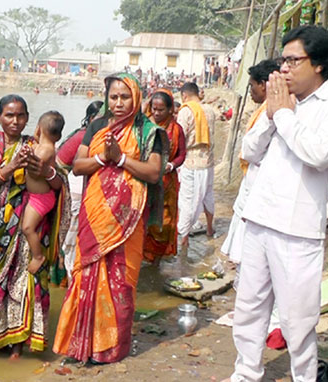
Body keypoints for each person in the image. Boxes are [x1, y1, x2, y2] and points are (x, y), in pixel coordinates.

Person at [224, 26, 328, 382]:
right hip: (260, 218)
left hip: (297, 228)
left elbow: (319, 154)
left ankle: (303, 377)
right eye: (282, 60)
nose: (283, 69)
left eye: (292, 60)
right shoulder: (280, 104)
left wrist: (284, 114)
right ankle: (246, 372)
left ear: (317, 65)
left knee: (298, 319)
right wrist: (272, 114)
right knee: (249, 307)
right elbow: (249, 152)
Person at [53, 73, 168, 364]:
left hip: (128, 218)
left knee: (122, 280)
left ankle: (111, 348)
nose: (118, 103)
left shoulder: (148, 132)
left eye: (124, 97)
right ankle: (81, 344)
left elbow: (153, 173)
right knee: (86, 274)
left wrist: (121, 160)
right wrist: (103, 159)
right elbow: (78, 166)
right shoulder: (97, 126)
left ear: (136, 98)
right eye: (113, 97)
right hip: (95, 214)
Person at [0, 94, 68, 359]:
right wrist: (11, 167)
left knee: (28, 282)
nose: (15, 121)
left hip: (30, 224)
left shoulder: (37, 145)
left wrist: (45, 171)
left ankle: (22, 343)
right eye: (9, 115)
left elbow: (59, 184)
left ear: (29, 119)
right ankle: (1, 337)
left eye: (20, 116)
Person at [220, 59, 279, 271]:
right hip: (255, 177)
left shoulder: (270, 112)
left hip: (260, 180)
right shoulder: (265, 109)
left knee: (248, 237)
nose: (251, 91)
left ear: (264, 85)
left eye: (252, 85)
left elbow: (251, 150)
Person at [56, 101, 103, 282]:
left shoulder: (87, 135)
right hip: (73, 191)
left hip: (78, 191)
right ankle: (71, 281)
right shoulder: (84, 137)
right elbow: (62, 165)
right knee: (71, 242)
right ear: (91, 119)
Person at [143, 89, 187, 263]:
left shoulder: (177, 130)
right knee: (144, 218)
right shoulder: (145, 126)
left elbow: (182, 154)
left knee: (165, 220)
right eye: (154, 108)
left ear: (170, 110)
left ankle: (156, 259)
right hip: (146, 179)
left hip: (167, 183)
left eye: (161, 110)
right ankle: (142, 256)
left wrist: (172, 164)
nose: (156, 112)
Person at [22, 111, 65, 275]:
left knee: (27, 228)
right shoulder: (39, 147)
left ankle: (38, 256)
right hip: (36, 197)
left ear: (38, 129)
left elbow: (34, 170)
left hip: (41, 199)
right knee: (26, 226)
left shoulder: (46, 149)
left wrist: (27, 157)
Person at [176, 82, 216, 247]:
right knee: (208, 194)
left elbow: (180, 137)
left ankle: (184, 238)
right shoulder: (209, 110)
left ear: (184, 96)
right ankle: (209, 228)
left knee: (187, 200)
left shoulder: (185, 111)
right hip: (208, 160)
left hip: (191, 162)